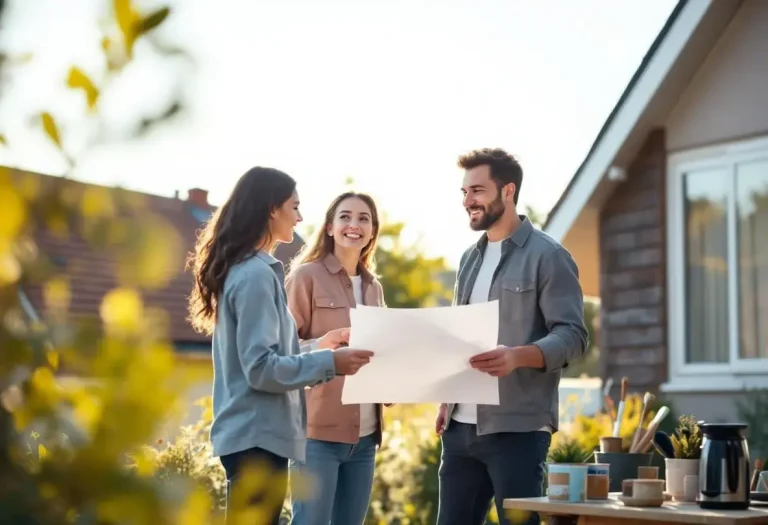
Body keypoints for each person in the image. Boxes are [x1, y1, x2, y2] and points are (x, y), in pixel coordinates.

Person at [187, 167, 375, 525]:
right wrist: (331, 363)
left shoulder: (252, 270)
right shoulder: (255, 275)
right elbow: (261, 369)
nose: (300, 217)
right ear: (272, 209)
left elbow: (270, 357)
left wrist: (319, 348)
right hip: (256, 439)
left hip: (258, 438)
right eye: (295, 206)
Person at [435, 149, 588, 525]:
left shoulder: (549, 256)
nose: (467, 201)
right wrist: (447, 398)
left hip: (517, 430)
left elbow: (573, 336)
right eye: (464, 192)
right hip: (459, 429)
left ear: (508, 191)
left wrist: (518, 356)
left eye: (477, 190)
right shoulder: (469, 259)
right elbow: (460, 334)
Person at [285, 191, 387, 525]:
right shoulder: (305, 277)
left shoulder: (374, 288)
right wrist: (323, 346)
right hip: (317, 437)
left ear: (372, 231)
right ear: (329, 227)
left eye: (363, 218)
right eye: (345, 217)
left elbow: (382, 351)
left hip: (366, 438)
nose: (354, 224)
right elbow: (283, 352)